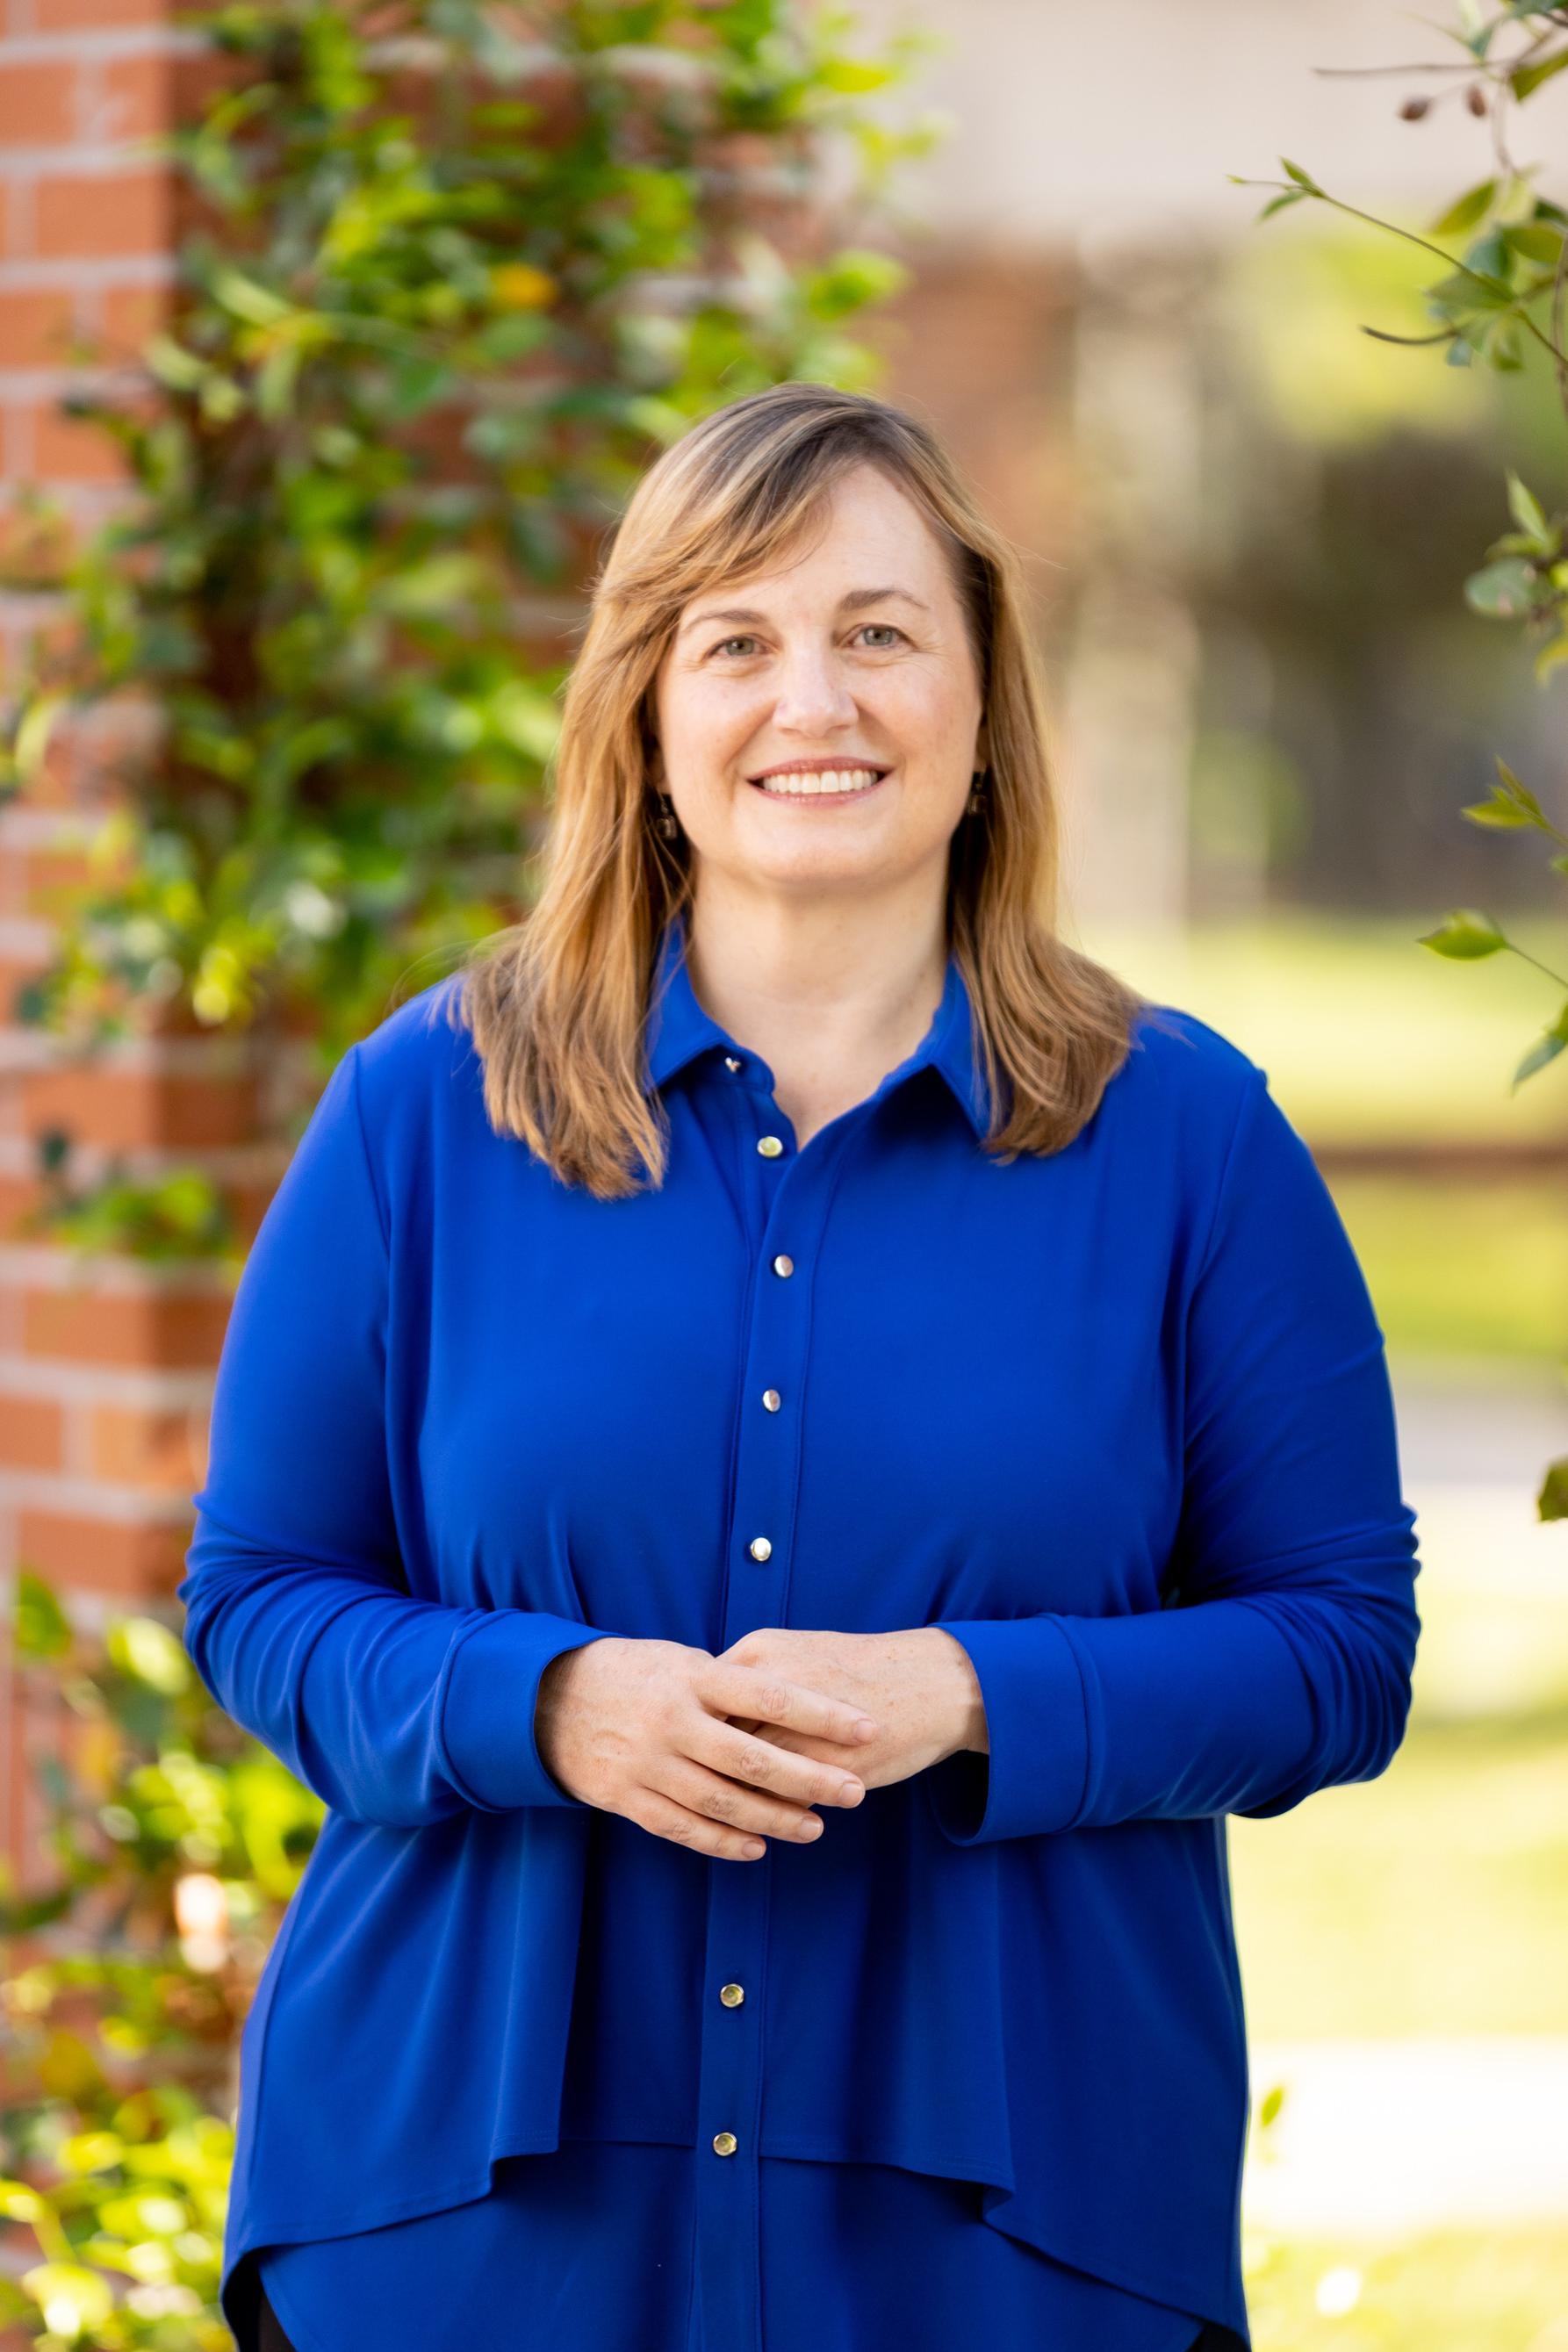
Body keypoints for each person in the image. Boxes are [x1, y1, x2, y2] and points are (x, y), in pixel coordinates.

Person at [180, 382, 1421, 2352]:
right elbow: (257, 1595)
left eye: (875, 632)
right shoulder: (423, 1107)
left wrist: (966, 1690)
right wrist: (547, 1698)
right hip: (461, 2230)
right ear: (648, 712)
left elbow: (1340, 1651)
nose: (811, 703)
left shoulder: (1188, 1139)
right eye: (736, 640)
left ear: (977, 696)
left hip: (1011, 2241)